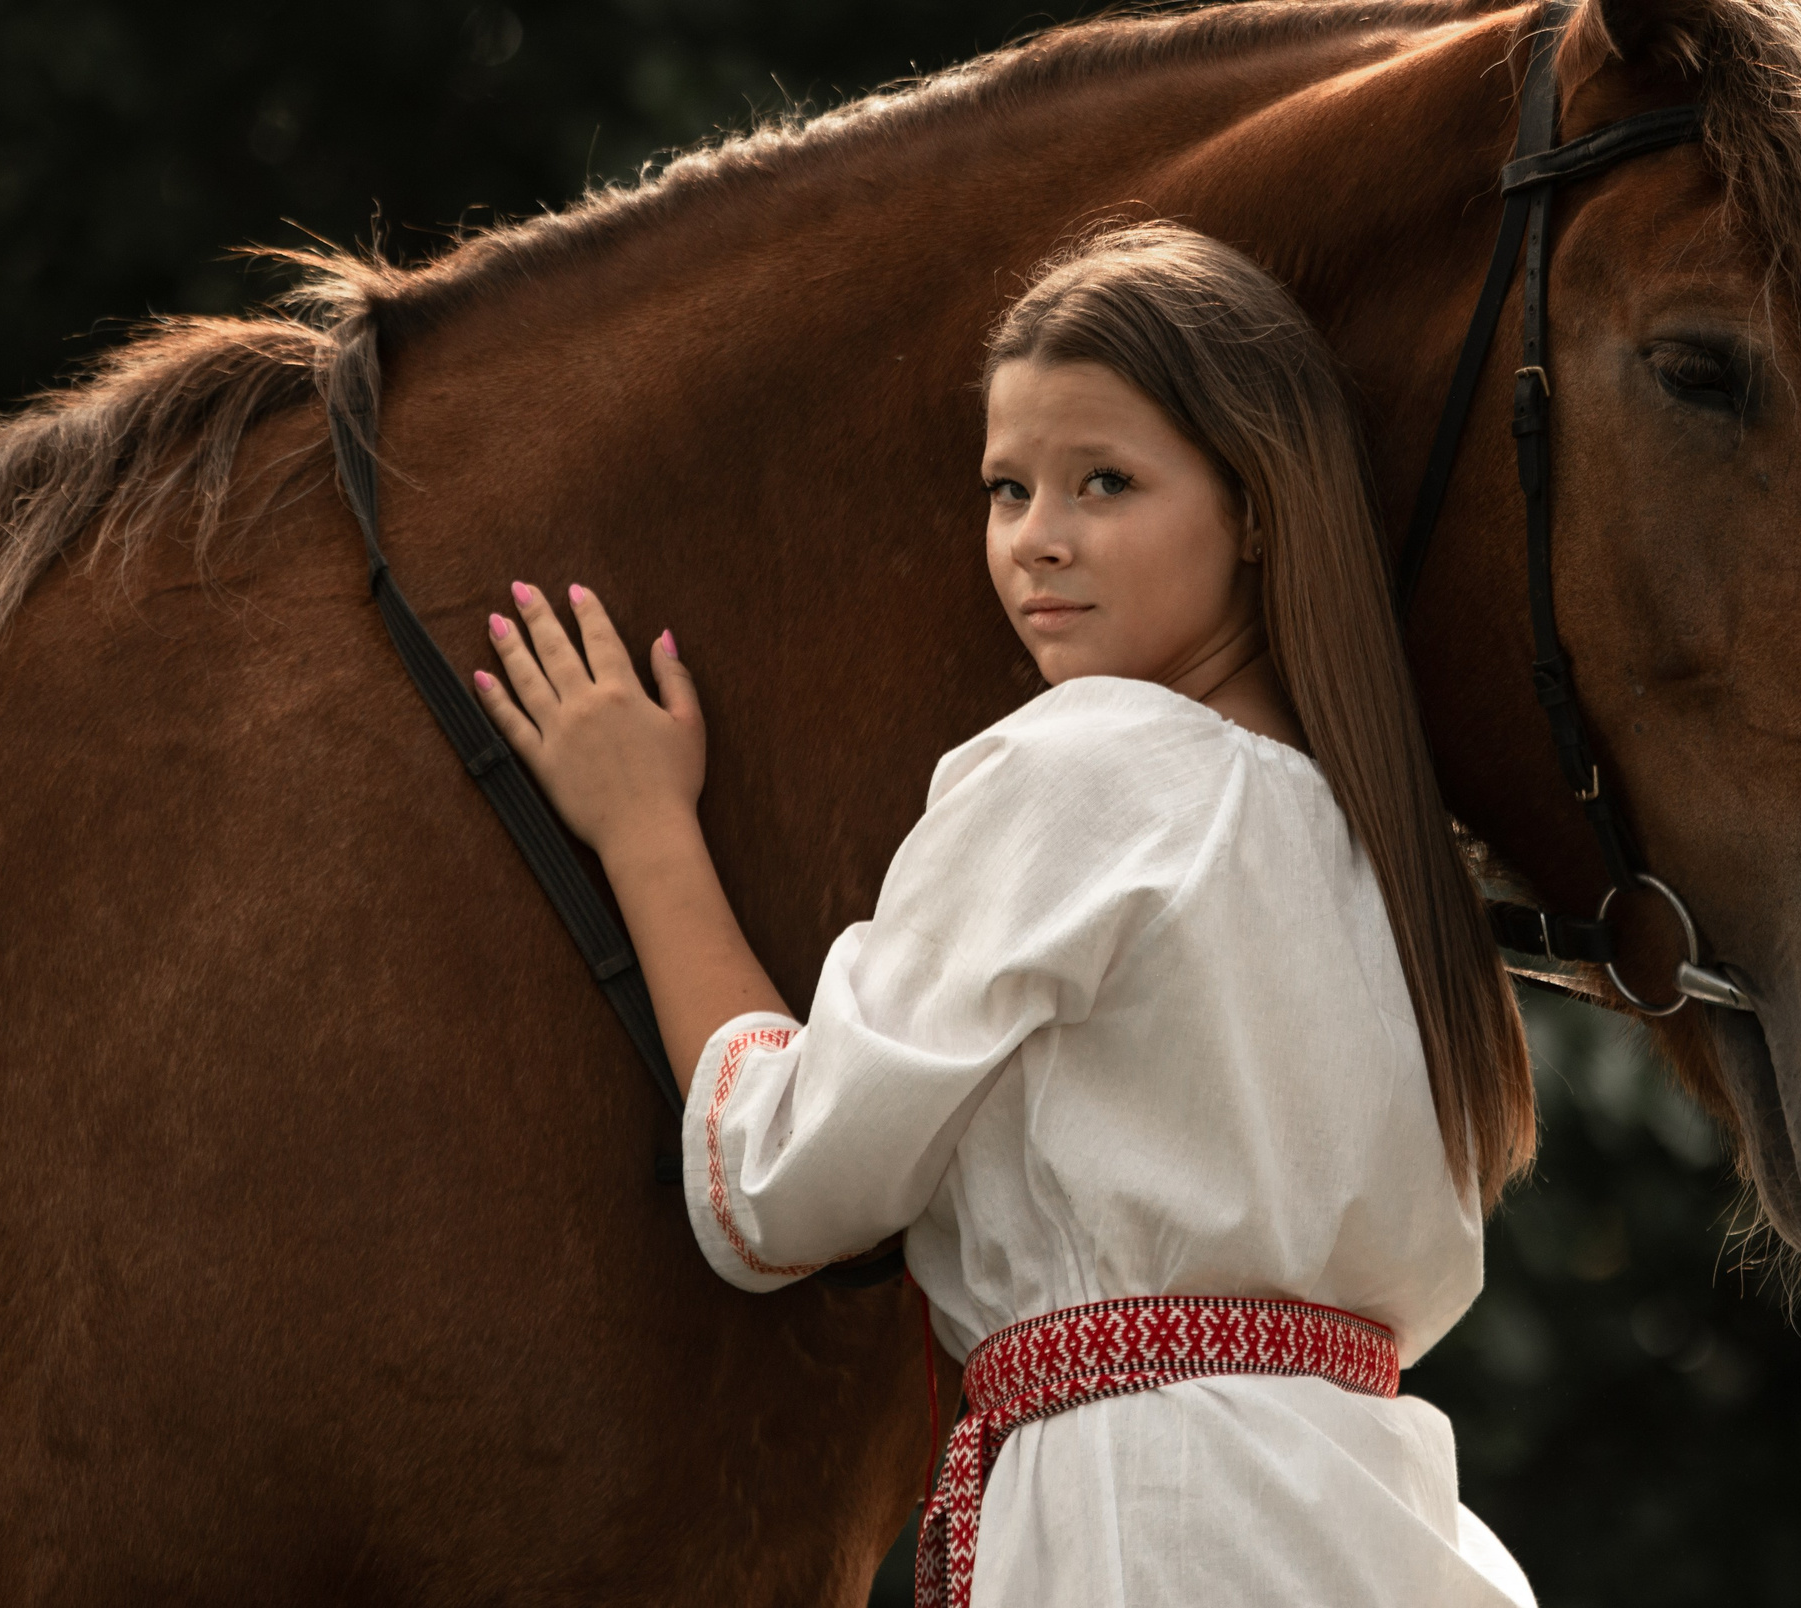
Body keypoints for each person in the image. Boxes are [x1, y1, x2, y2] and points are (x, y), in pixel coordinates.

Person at [470, 223, 1539, 1607]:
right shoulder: (1395, 849)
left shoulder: (1083, 762)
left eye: (1105, 482)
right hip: (1386, 1524)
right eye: (1006, 488)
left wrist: (644, 826)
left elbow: (781, 1184)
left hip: (1147, 1536)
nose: (1038, 542)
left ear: (1258, 505)